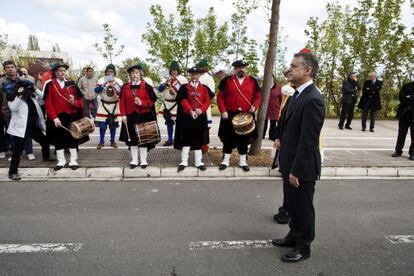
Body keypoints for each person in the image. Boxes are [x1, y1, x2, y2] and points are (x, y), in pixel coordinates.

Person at [272, 50, 325, 263]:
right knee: (292, 204)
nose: (290, 69)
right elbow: (286, 121)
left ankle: (303, 246)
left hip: (301, 166)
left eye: (294, 66)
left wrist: (296, 171)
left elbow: (308, 141)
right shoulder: (297, 93)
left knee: (303, 207)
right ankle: (293, 235)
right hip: (290, 160)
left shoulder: (313, 99)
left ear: (307, 70)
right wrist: (279, 138)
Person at [217, 60, 261, 171]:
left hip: (246, 115)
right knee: (228, 138)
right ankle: (226, 161)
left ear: (246, 69)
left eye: (243, 67)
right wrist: (223, 111)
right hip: (230, 114)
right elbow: (220, 97)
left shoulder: (252, 81)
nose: (241, 69)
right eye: (238, 67)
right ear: (234, 69)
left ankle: (242, 162)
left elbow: (258, 97)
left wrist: (255, 106)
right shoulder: (227, 80)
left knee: (244, 139)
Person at [44, 63, 87, 170]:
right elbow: (48, 103)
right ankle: (61, 161)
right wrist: (54, 118)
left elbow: (80, 103)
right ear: (55, 72)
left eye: (64, 71)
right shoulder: (50, 85)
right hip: (57, 117)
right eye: (60, 71)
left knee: (72, 138)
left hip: (71, 116)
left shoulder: (72, 85)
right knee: (58, 139)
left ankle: (73, 161)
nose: (63, 72)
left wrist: (74, 102)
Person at [6, 79, 51, 180]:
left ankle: (46, 156)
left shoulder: (32, 96)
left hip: (33, 126)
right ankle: (12, 172)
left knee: (44, 140)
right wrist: (19, 94)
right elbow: (13, 108)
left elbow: (44, 97)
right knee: (18, 150)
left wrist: (35, 89)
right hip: (22, 127)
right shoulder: (14, 97)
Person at [174, 66, 213, 171]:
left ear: (199, 75)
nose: (194, 76)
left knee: (198, 139)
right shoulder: (184, 87)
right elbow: (182, 100)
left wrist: (201, 110)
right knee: (186, 139)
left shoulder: (204, 88)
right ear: (190, 75)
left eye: (196, 74)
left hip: (200, 117)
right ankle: (184, 161)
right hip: (187, 116)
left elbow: (207, 101)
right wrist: (190, 110)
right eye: (192, 74)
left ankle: (198, 162)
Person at [119, 64, 158, 169]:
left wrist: (142, 103)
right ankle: (134, 160)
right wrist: (123, 115)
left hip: (143, 116)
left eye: (136, 73)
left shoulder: (147, 87)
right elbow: (122, 102)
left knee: (143, 139)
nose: (134, 75)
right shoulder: (125, 87)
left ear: (141, 74)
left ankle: (144, 160)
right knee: (132, 139)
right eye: (132, 73)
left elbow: (151, 102)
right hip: (130, 116)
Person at [0, 60, 35, 160]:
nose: (10, 69)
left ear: (15, 68)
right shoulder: (1, 81)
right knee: (12, 133)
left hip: (22, 111)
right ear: (5, 69)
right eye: (8, 67)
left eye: (12, 67)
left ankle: (29, 151)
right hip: (7, 111)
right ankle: (17, 153)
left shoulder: (23, 80)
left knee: (26, 131)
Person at [158, 61, 187, 146]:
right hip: (167, 104)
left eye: (175, 70)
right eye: (172, 70)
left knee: (179, 123)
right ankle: (170, 139)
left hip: (177, 104)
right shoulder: (166, 79)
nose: (174, 72)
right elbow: (159, 89)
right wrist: (165, 83)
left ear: (178, 70)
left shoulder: (182, 79)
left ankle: (179, 139)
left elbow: (184, 92)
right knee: (169, 123)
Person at [95, 64, 123, 149]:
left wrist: (115, 85)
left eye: (111, 72)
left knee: (113, 125)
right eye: (108, 72)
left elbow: (120, 94)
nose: (109, 73)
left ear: (114, 73)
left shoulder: (118, 81)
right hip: (103, 105)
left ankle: (113, 141)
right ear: (105, 72)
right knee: (102, 125)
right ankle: (101, 142)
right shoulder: (101, 80)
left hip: (114, 105)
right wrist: (103, 84)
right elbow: (96, 90)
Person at [392, 80, 414, 160]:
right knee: (401, 133)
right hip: (405, 113)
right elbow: (401, 97)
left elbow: (407, 98)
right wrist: (410, 98)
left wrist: (410, 97)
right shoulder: (406, 86)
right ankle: (398, 151)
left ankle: (412, 153)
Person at [197, 59, 215, 153]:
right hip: (196, 106)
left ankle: (204, 147)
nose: (199, 68)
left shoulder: (208, 78)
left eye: (201, 67)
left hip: (204, 105)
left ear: (205, 67)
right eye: (199, 66)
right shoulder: (198, 76)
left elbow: (211, 93)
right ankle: (198, 145)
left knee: (205, 128)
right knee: (197, 127)